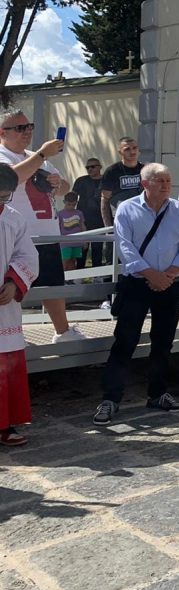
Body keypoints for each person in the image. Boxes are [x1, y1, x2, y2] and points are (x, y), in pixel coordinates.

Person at [93, 164, 179, 426]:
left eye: (168, 179)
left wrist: (169, 275)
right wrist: (151, 274)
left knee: (163, 342)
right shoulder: (127, 209)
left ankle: (158, 394)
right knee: (124, 342)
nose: (165, 184)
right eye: (159, 180)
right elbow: (124, 246)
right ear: (145, 183)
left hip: (170, 284)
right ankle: (110, 399)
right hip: (137, 284)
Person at [0, 109, 86, 344]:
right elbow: (8, 179)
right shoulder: (3, 156)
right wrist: (41, 154)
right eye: (20, 128)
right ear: (2, 133)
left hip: (48, 234)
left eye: (29, 126)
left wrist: (58, 183)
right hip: (15, 238)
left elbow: (66, 187)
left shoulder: (38, 157)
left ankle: (63, 332)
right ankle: (12, 335)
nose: (27, 132)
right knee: (12, 290)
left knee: (53, 286)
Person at [0, 164, 39, 446]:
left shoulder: (14, 219)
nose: (1, 202)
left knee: (6, 363)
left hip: (4, 306)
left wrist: (14, 283)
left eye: (5, 197)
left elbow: (28, 256)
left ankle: (5, 425)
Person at [100, 136, 145, 229]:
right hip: (121, 221)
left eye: (134, 148)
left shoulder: (145, 170)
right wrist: (108, 228)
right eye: (127, 149)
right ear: (120, 152)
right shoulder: (112, 171)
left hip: (142, 220)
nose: (132, 152)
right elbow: (105, 200)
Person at [71, 157, 105, 269]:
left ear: (100, 167)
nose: (90, 169)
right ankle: (79, 275)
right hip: (83, 220)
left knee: (97, 249)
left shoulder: (106, 181)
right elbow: (72, 198)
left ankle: (97, 276)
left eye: (93, 166)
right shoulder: (81, 181)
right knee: (81, 249)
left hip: (100, 220)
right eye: (87, 167)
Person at [56, 192, 86, 271]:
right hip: (65, 242)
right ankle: (63, 279)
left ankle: (71, 279)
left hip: (77, 242)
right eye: (69, 204)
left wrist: (85, 240)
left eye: (73, 204)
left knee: (73, 261)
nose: (71, 206)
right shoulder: (60, 214)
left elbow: (82, 226)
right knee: (65, 260)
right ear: (64, 202)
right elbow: (57, 228)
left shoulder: (79, 213)